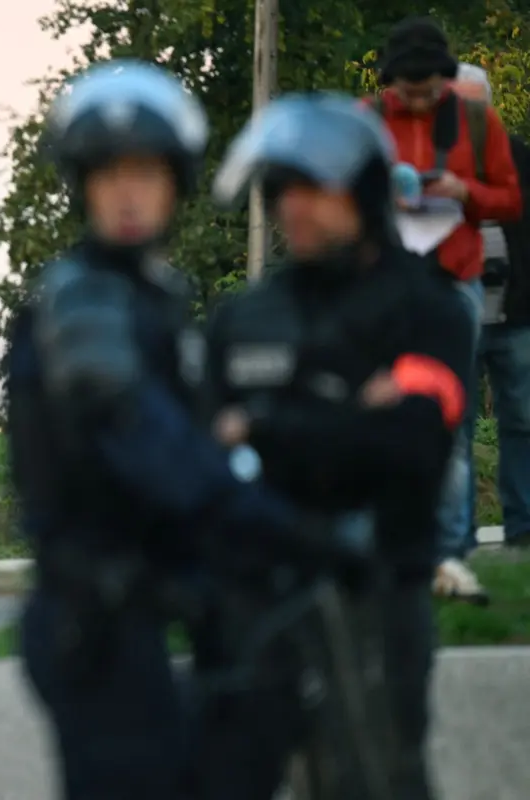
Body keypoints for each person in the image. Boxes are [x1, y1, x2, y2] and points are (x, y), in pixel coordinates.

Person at [6, 61, 362, 800]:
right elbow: (150, 446)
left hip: (140, 607)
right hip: (95, 624)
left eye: (146, 171)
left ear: (175, 182)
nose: (128, 192)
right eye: (109, 175)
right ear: (82, 186)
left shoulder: (148, 298)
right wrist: (284, 530)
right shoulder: (84, 303)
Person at [201, 93, 474, 800]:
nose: (296, 205)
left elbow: (412, 450)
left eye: (315, 187)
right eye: (284, 187)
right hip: (260, 602)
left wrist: (263, 426)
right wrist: (351, 415)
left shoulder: (428, 309)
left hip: (379, 595)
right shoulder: (244, 317)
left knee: (379, 781)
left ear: (362, 192)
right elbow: (202, 454)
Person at [367, 16, 522, 600]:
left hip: (453, 278)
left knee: (449, 416)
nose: (421, 99)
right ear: (390, 83)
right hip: (384, 279)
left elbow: (509, 199)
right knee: (380, 408)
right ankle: (393, 547)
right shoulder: (367, 120)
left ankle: (452, 555)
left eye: (431, 88)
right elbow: (334, 188)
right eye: (409, 91)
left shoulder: (478, 122)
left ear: (446, 78)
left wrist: (465, 192)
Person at [453, 64, 530, 552]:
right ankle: (455, 533)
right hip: (454, 317)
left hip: (517, 315)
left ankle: (525, 528)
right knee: (453, 426)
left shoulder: (521, 160)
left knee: (523, 419)